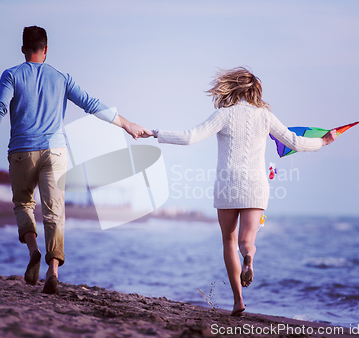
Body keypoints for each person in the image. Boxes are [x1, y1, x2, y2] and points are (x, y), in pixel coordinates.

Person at [140, 67, 336, 316]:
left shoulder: (223, 115)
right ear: (255, 90)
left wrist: (156, 133)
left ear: (232, 87)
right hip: (256, 186)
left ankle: (238, 301)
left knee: (228, 241)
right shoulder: (265, 116)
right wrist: (324, 141)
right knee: (247, 241)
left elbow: (190, 137)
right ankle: (249, 259)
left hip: (227, 185)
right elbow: (294, 142)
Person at [0, 26, 144, 294]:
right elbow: (91, 104)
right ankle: (53, 271)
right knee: (54, 212)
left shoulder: (11, 75)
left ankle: (33, 251)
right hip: (55, 153)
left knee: (23, 204)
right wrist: (127, 124)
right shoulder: (62, 77)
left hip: (21, 151)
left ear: (23, 49)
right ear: (46, 49)